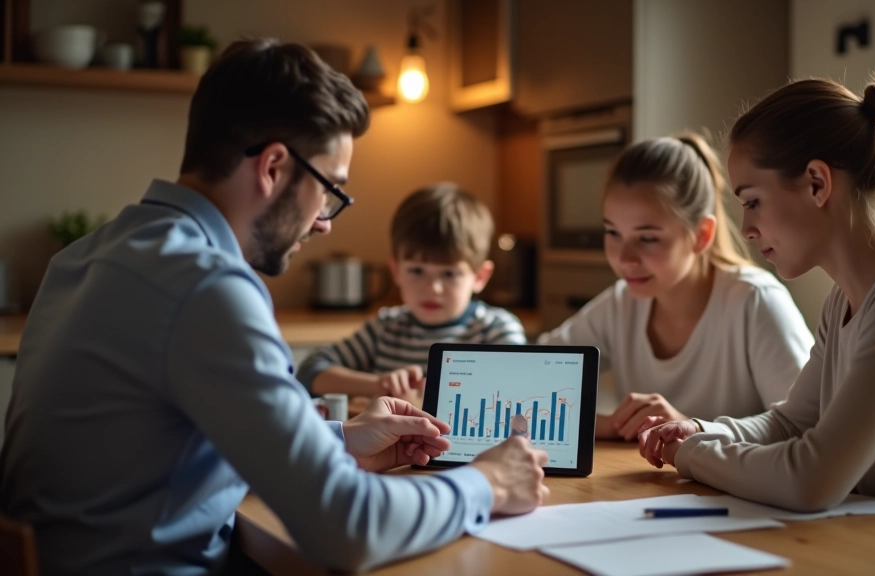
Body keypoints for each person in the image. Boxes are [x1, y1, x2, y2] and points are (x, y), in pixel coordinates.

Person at [0, 39, 549, 576]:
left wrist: (340, 440)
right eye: (330, 189)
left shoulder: (84, 256)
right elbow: (347, 529)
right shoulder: (209, 288)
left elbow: (158, 441)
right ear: (273, 167)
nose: (326, 221)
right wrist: (490, 482)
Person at [637, 70, 875, 528]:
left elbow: (811, 480)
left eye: (752, 201)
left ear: (818, 183)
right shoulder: (843, 303)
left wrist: (696, 454)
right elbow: (790, 425)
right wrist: (704, 430)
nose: (745, 229)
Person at [538, 133, 813, 441]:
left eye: (648, 238)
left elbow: (805, 431)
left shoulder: (754, 302)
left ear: (701, 235)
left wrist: (693, 428)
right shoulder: (620, 304)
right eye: (613, 233)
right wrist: (610, 425)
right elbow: (529, 374)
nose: (625, 258)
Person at [297, 183, 527, 401]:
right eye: (417, 271)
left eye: (449, 274)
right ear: (396, 271)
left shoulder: (496, 331)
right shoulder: (385, 329)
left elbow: (517, 391)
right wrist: (378, 385)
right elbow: (310, 371)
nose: (432, 287)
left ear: (480, 277)